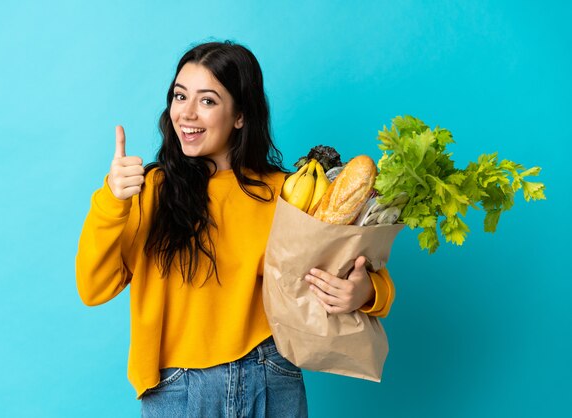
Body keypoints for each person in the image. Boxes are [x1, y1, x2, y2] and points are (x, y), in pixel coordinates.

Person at [75, 40, 395, 418]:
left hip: (272, 375)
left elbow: (357, 269)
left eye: (207, 101)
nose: (187, 114)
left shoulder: (287, 192)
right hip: (178, 388)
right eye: (180, 97)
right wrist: (112, 199)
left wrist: (366, 291)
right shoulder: (149, 189)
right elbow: (93, 288)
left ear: (240, 114)